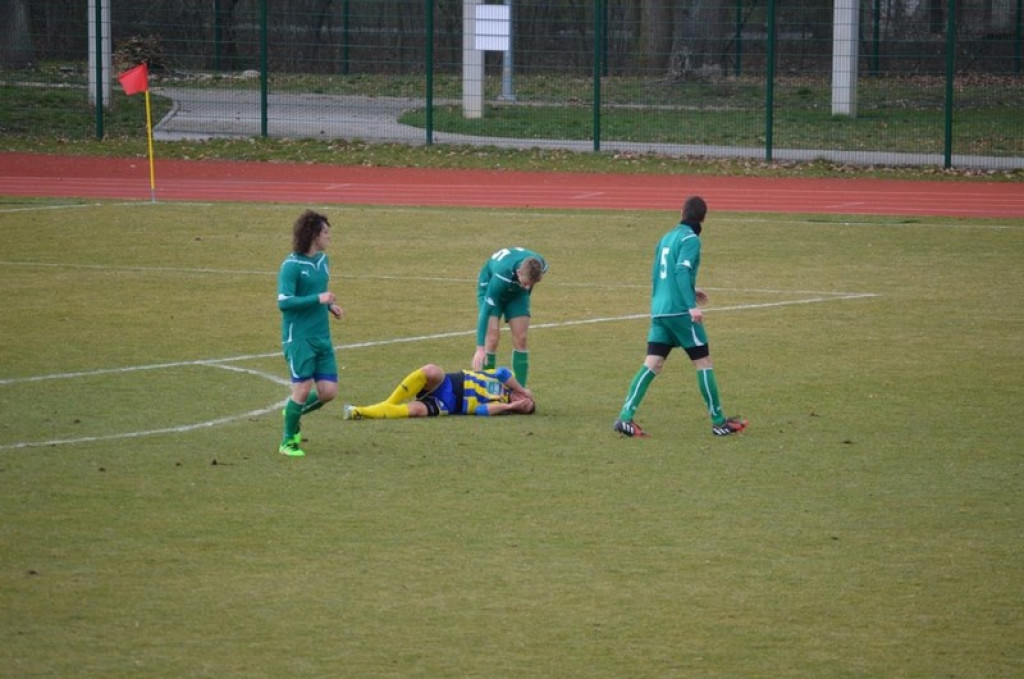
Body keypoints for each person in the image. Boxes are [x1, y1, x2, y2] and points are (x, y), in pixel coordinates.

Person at [613, 196, 747, 438]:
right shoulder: (691, 239)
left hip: (660, 310)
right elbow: (681, 269)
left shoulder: (666, 238)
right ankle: (718, 421)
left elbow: (661, 274)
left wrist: (690, 291)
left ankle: (625, 417)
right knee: (703, 363)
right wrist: (690, 305)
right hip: (679, 313)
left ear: (682, 212)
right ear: (703, 218)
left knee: (652, 364)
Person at [276, 209, 345, 457]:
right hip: (300, 338)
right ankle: (287, 442)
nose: (329, 237)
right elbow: (284, 302)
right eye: (326, 232)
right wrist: (319, 298)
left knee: (328, 392)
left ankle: (292, 413)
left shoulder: (322, 262)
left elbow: (320, 291)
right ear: (313, 234)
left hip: (321, 336)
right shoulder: (291, 266)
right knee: (302, 389)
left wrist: (329, 306)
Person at [342, 364, 535, 419]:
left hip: (450, 405)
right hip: (449, 382)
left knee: (415, 411)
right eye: (527, 399)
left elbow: (480, 411)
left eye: (524, 407)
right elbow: (502, 371)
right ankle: (388, 402)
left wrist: (511, 405)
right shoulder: (507, 379)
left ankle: (359, 411)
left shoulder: (502, 406)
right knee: (430, 370)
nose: (523, 400)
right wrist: (522, 390)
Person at [472, 246, 548, 387]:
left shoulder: (540, 266)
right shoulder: (501, 275)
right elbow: (485, 312)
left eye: (531, 284)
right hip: (490, 287)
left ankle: (520, 391)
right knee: (492, 337)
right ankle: (489, 389)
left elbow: (526, 286)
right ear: (518, 272)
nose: (528, 287)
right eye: (526, 283)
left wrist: (524, 287)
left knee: (521, 338)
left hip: (516, 294)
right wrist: (480, 349)